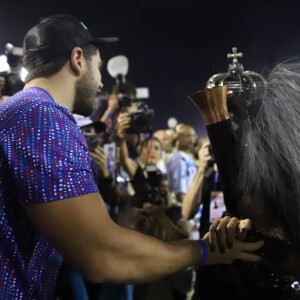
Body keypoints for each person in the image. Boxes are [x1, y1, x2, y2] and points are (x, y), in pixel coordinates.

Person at [0, 14, 263, 300]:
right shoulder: (44, 117)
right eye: (99, 68)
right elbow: (102, 257)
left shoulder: (18, 111)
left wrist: (111, 222)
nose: (101, 82)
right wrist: (204, 250)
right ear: (77, 59)